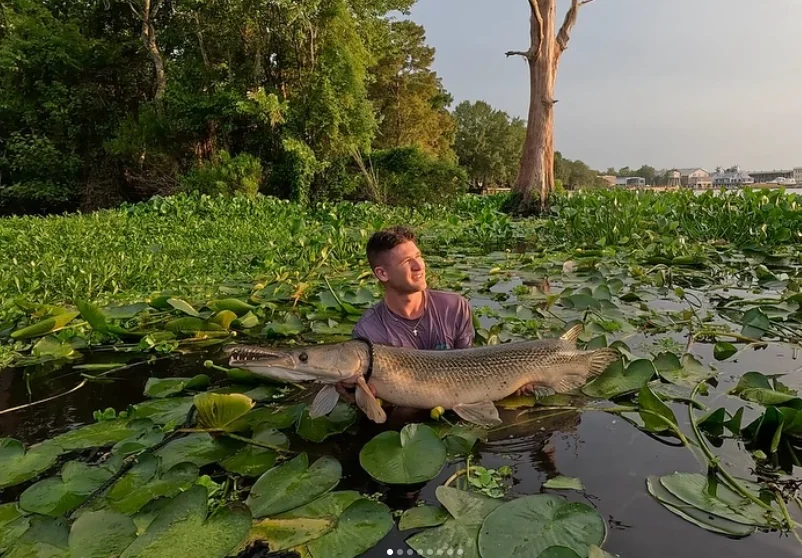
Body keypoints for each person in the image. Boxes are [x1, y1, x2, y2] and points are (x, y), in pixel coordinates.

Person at [336, 226, 535, 408]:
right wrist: (359, 397)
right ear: (382, 274)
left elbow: (471, 365)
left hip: (460, 403)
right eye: (407, 262)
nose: (419, 266)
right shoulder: (368, 331)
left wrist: (514, 380)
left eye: (418, 256)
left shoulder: (455, 306)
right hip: (408, 417)